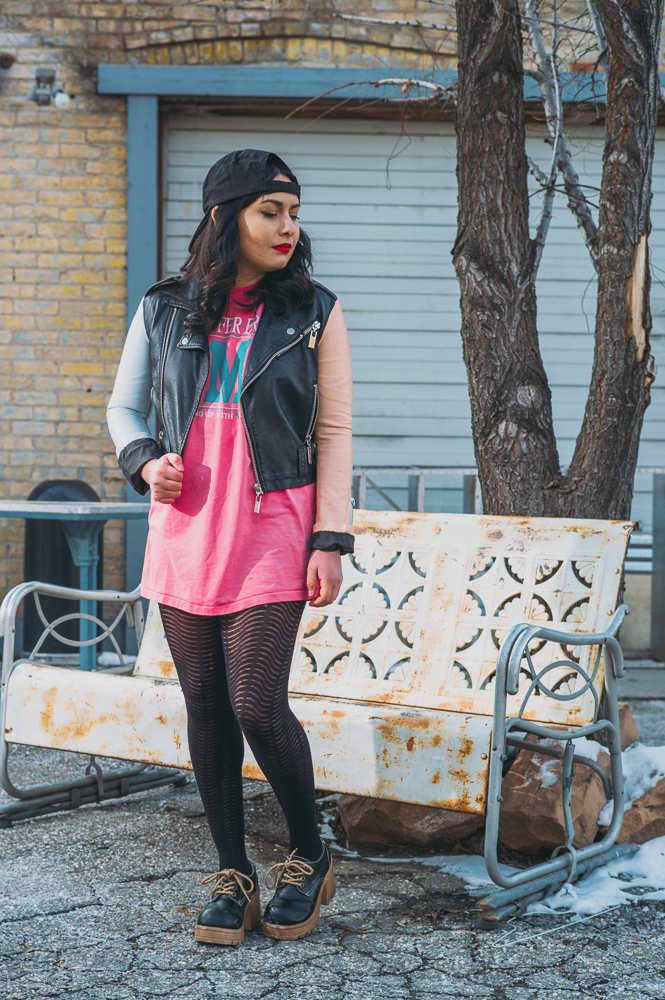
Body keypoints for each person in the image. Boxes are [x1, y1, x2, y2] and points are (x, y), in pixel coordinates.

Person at [107, 149, 354, 945]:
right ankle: (231, 871)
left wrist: (330, 539)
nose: (288, 227)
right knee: (207, 706)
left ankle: (308, 854)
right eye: (269, 211)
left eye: (293, 212)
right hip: (186, 526)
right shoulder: (163, 307)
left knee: (254, 701)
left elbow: (333, 433)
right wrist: (145, 462)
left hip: (274, 522)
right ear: (224, 218)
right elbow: (123, 409)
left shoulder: (314, 311)